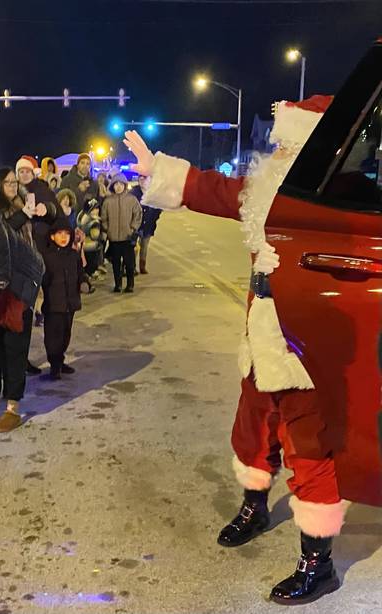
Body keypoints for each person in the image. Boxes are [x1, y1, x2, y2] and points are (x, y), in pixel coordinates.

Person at [123, 95, 353, 605]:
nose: (276, 149)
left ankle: (319, 561)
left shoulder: (335, 195)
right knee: (252, 427)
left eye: (288, 142)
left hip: (307, 336)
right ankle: (255, 505)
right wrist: (159, 169)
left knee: (309, 445)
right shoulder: (269, 186)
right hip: (262, 332)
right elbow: (219, 191)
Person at [0, 169, 45, 432]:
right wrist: (24, 214)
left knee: (15, 349)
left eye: (15, 182)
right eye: (8, 182)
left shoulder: (23, 205)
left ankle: (13, 407)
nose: (13, 186)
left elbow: (33, 239)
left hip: (20, 286)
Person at [40, 215, 83, 380]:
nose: (63, 237)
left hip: (70, 303)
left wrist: (84, 283)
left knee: (66, 334)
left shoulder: (74, 255)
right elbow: (40, 276)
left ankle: (60, 360)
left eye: (66, 234)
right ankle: (54, 364)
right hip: (53, 303)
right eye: (59, 234)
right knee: (53, 336)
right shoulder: (46, 256)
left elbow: (80, 274)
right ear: (52, 236)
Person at [101, 174, 142, 293]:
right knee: (116, 264)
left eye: (121, 184)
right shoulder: (108, 201)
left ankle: (130, 285)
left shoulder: (131, 200)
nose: (118, 187)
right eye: (116, 184)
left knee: (129, 263)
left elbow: (138, 214)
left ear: (125, 185)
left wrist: (133, 228)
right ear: (112, 186)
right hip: (113, 239)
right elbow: (104, 218)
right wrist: (107, 229)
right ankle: (118, 284)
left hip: (127, 237)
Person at [130, 176, 160, 274]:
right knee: (134, 246)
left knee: (144, 246)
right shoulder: (134, 192)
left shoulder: (153, 193)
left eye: (145, 178)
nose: (142, 181)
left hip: (148, 224)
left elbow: (158, 208)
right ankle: (132, 267)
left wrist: (154, 218)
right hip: (136, 224)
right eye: (141, 179)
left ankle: (142, 266)